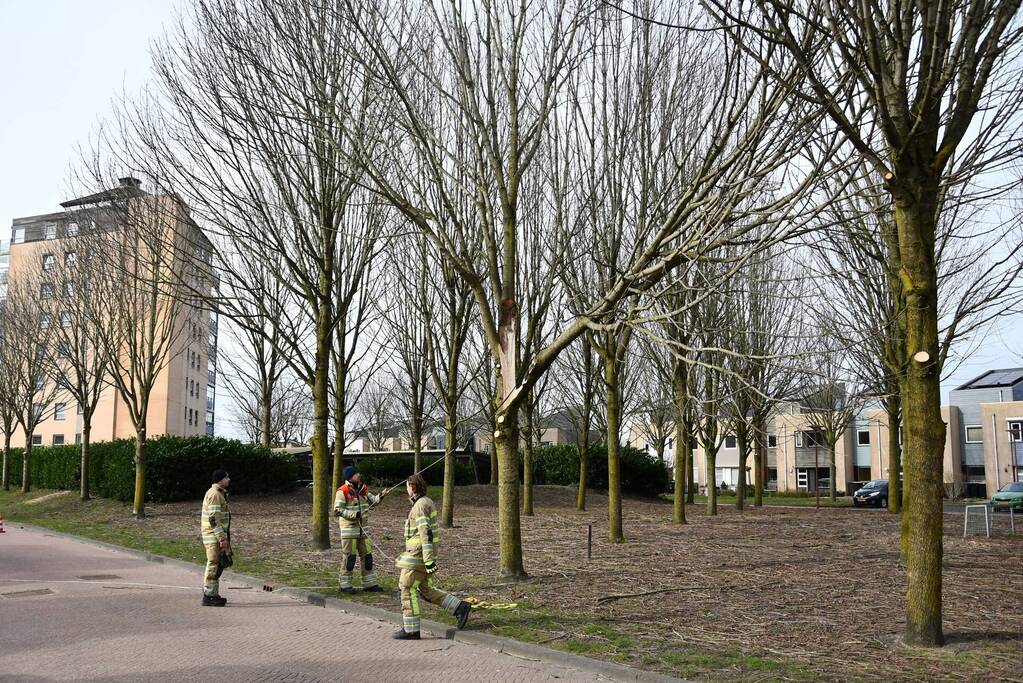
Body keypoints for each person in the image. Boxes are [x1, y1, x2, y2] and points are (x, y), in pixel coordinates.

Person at [392, 474, 471, 640]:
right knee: (426, 590)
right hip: (421, 555)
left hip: (417, 557)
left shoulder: (419, 506)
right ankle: (459, 607)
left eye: (407, 486)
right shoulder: (426, 502)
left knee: (406, 588)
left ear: (413, 487)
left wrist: (428, 560)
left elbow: (425, 533)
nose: (406, 489)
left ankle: (411, 630)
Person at [333, 465, 389, 593]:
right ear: (350, 477)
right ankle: (345, 585)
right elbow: (337, 511)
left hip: (363, 531)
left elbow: (373, 501)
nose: (359, 475)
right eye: (356, 473)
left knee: (367, 557)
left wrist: (381, 495)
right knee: (349, 559)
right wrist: (354, 515)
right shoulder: (342, 491)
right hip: (349, 532)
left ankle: (369, 584)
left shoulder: (363, 489)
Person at [200, 469, 232, 606]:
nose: (229, 479)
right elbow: (214, 519)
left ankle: (213, 594)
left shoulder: (219, 494)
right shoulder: (214, 495)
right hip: (213, 537)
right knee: (213, 563)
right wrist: (222, 538)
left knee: (218, 564)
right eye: (226, 477)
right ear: (220, 480)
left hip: (216, 536)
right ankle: (209, 596)